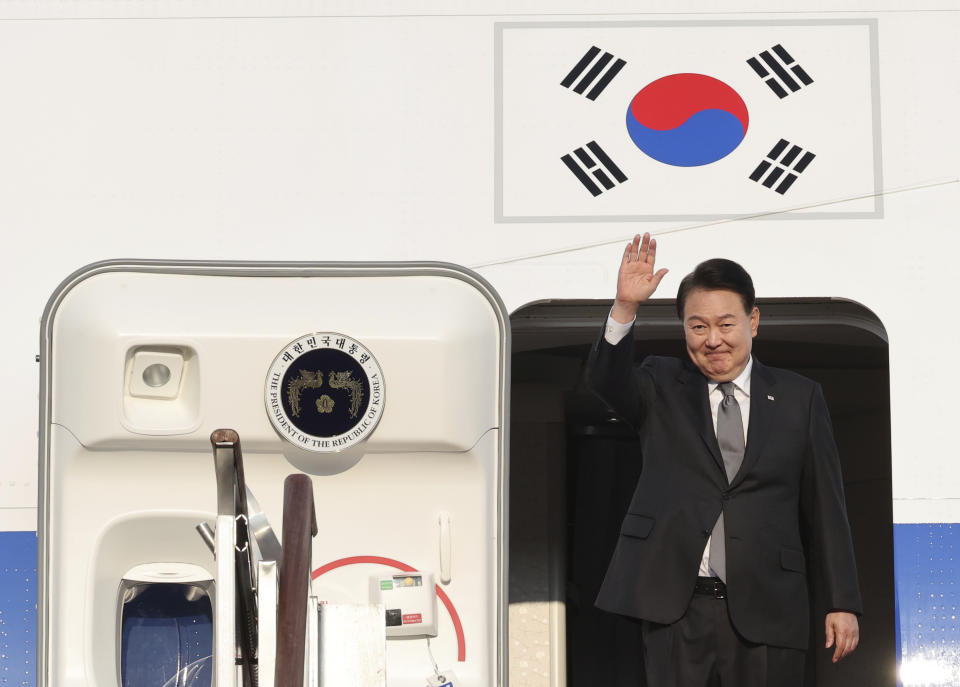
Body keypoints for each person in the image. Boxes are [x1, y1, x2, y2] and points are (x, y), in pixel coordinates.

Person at [585, 233, 862, 686]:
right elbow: (605, 384)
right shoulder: (661, 383)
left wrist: (842, 600)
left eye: (725, 325)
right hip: (675, 604)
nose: (713, 340)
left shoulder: (799, 397)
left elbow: (827, 507)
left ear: (753, 321)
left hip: (769, 603)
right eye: (698, 327)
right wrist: (625, 308)